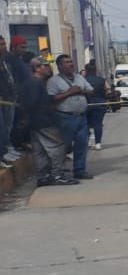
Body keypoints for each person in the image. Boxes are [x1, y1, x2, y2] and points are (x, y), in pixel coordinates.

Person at [23, 58, 76, 186]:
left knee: (39, 150)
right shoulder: (35, 84)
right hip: (43, 121)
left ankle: (43, 177)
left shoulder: (36, 83)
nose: (49, 69)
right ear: (37, 68)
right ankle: (57, 175)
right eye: (45, 66)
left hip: (37, 122)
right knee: (58, 147)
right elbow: (32, 104)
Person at [48, 54, 94, 180]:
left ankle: (79, 170)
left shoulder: (79, 78)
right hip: (64, 118)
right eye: (67, 62)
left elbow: (91, 91)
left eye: (71, 62)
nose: (71, 64)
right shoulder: (54, 81)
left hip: (81, 117)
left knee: (82, 144)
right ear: (60, 66)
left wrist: (81, 91)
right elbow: (52, 99)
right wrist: (69, 93)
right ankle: (58, 171)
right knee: (63, 145)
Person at [0, 35, 19, 165]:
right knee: (2, 128)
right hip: (2, 100)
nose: (4, 47)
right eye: (1, 44)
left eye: (4, 44)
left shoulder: (5, 61)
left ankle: (4, 152)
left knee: (8, 127)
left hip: (9, 99)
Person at [83, 63, 109, 150]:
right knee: (98, 124)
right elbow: (107, 90)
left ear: (86, 71)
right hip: (100, 104)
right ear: (95, 71)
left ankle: (86, 142)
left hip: (86, 104)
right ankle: (98, 143)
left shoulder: (83, 80)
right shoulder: (102, 80)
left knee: (85, 124)